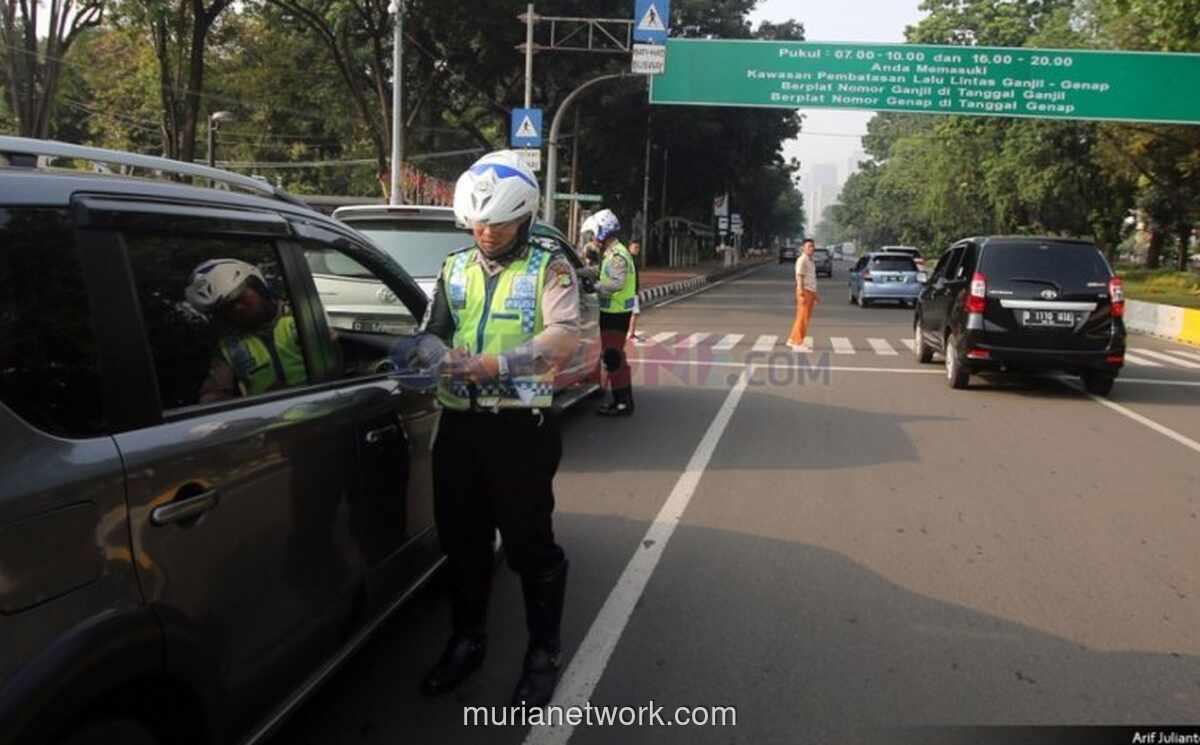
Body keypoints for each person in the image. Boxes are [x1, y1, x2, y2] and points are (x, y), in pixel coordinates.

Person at [410, 150, 580, 708]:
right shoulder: (454, 266)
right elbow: (430, 330)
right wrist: (437, 353)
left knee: (530, 546)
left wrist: (496, 365)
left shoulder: (549, 267)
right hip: (459, 429)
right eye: (478, 223)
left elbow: (563, 336)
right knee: (463, 543)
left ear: (525, 217)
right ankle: (467, 639)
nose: (487, 232)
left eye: (499, 223)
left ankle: (542, 652)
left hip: (520, 432)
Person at [185, 258, 308, 403]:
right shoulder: (230, 346)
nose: (237, 308)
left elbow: (333, 363)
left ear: (259, 287)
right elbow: (211, 396)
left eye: (240, 297)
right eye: (227, 307)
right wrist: (257, 402)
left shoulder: (302, 317)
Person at [586, 208, 638, 416]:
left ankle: (623, 402)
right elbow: (602, 273)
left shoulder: (617, 255)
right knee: (615, 356)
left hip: (615, 313)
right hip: (614, 311)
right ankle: (622, 399)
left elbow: (616, 283)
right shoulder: (611, 253)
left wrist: (595, 287)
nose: (593, 238)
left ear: (603, 232)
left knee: (613, 357)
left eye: (594, 233)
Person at [787, 238, 820, 351]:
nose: (812, 248)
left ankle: (792, 339)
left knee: (802, 317)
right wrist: (801, 291)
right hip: (804, 290)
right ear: (803, 248)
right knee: (803, 317)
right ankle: (798, 342)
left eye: (812, 246)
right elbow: (800, 276)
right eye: (809, 246)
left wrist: (815, 294)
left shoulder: (810, 260)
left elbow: (812, 278)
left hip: (810, 291)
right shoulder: (802, 260)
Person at [626, 240, 643, 343]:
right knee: (634, 313)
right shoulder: (629, 260)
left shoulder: (632, 259)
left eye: (638, 248)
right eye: (635, 247)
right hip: (630, 291)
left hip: (633, 290)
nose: (637, 250)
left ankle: (630, 333)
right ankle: (631, 334)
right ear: (630, 248)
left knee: (632, 313)